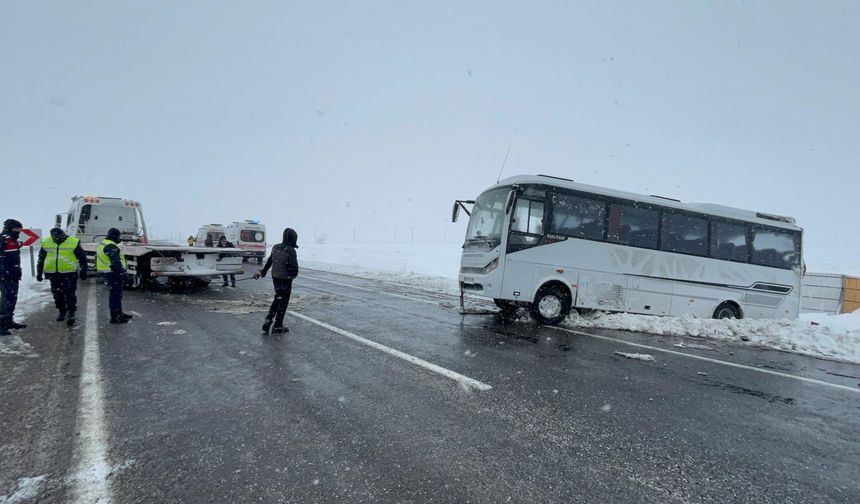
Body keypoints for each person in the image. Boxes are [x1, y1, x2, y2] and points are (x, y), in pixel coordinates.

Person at [37, 228, 88, 326]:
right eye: (54, 236)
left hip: (69, 273)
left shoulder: (73, 242)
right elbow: (41, 258)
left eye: (58, 236)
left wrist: (83, 271)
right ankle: (62, 311)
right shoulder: (46, 242)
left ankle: (71, 313)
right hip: (53, 273)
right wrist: (39, 272)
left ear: (63, 234)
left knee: (70, 293)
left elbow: (82, 257)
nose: (56, 238)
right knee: (57, 294)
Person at [254, 228, 298, 333]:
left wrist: (262, 272)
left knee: (278, 298)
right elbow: (294, 269)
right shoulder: (291, 251)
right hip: (285, 279)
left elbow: (270, 261)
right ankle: (278, 325)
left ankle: (268, 320)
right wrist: (292, 275)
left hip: (276, 277)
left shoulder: (276, 247)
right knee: (283, 302)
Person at [97, 228, 132, 324]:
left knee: (116, 293)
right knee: (116, 294)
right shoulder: (111, 246)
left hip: (107, 271)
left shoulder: (104, 243)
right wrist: (122, 273)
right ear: (115, 236)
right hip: (112, 273)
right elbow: (115, 262)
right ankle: (115, 316)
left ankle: (118, 313)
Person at [0, 219, 26, 336]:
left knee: (12, 299)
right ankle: (1, 325)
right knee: (6, 300)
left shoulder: (13, 241)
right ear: (10, 228)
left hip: (14, 275)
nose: (18, 232)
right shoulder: (2, 240)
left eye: (19, 230)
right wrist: (3, 273)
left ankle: (8, 321)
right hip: (5, 276)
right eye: (16, 229)